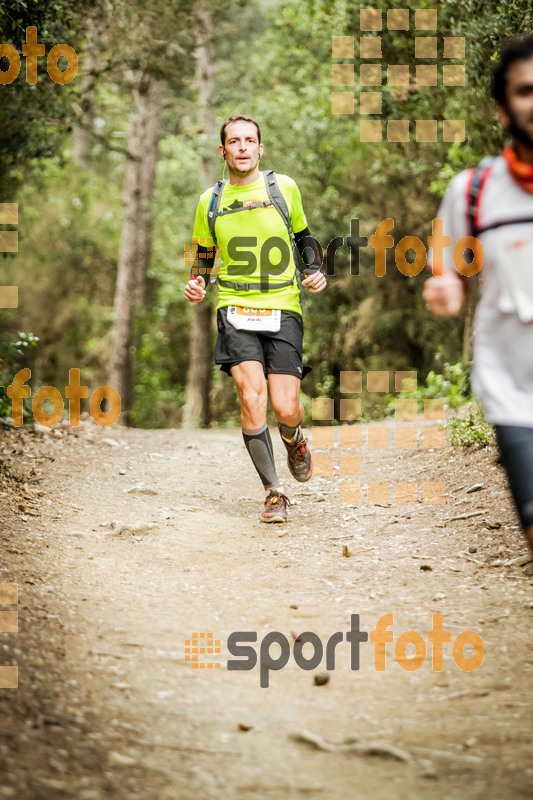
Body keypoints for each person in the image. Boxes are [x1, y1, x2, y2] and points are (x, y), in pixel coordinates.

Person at [184, 115, 326, 523]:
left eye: (250, 140)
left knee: (285, 406)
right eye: (234, 141)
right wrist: (197, 282)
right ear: (223, 150)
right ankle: (274, 492)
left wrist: (314, 269)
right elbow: (204, 254)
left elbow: (303, 236)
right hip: (234, 306)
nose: (242, 147)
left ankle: (293, 437)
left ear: (260, 148)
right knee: (251, 398)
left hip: (283, 305)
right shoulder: (209, 201)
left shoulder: (283, 188)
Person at [423, 33, 533, 554]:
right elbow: (443, 253)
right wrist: (445, 283)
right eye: (526, 91)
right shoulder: (475, 188)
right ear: (503, 109)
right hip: (514, 391)